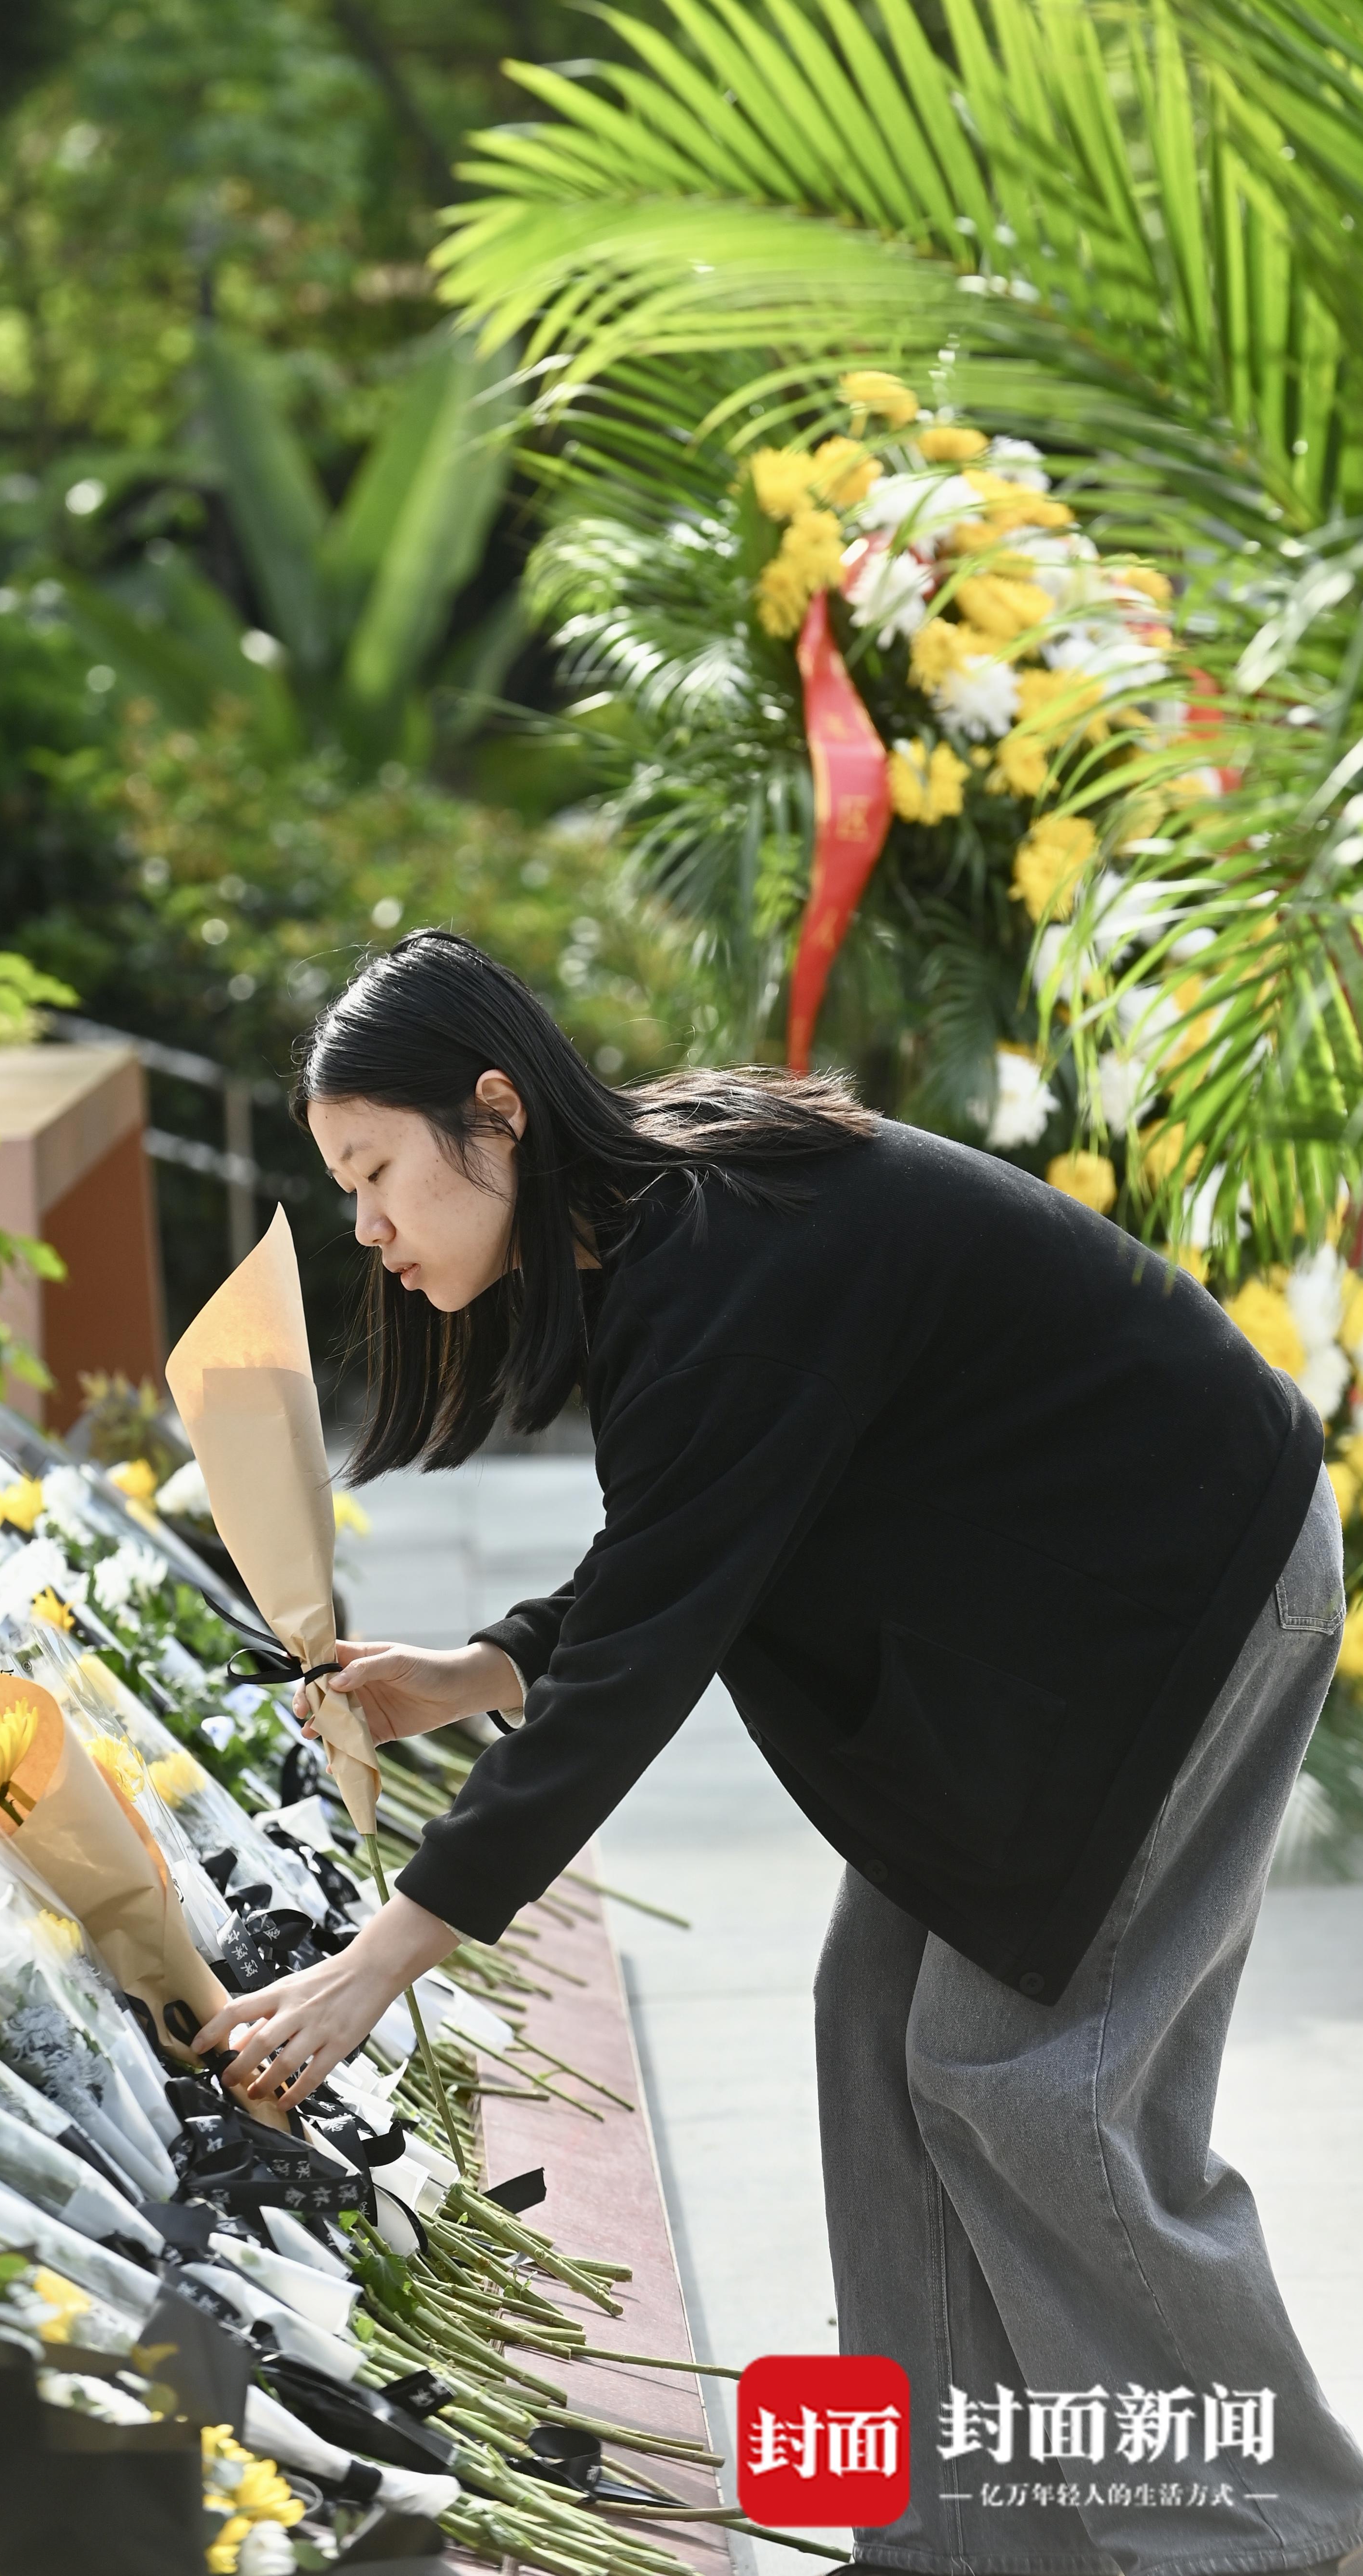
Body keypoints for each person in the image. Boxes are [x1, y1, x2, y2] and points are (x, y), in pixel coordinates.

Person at [197, 929, 1363, 2576]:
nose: (367, 1227)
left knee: (1030, 2083)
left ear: (494, 1110)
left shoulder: (714, 1251)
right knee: (874, 2025)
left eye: (376, 1172)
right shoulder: (661, 1237)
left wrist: (385, 1956)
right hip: (1051, 1636)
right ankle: (952, 2538)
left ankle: (1272, 2529)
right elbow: (690, 1534)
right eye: (345, 1191)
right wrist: (481, 1667)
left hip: (1179, 1595)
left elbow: (651, 1651)